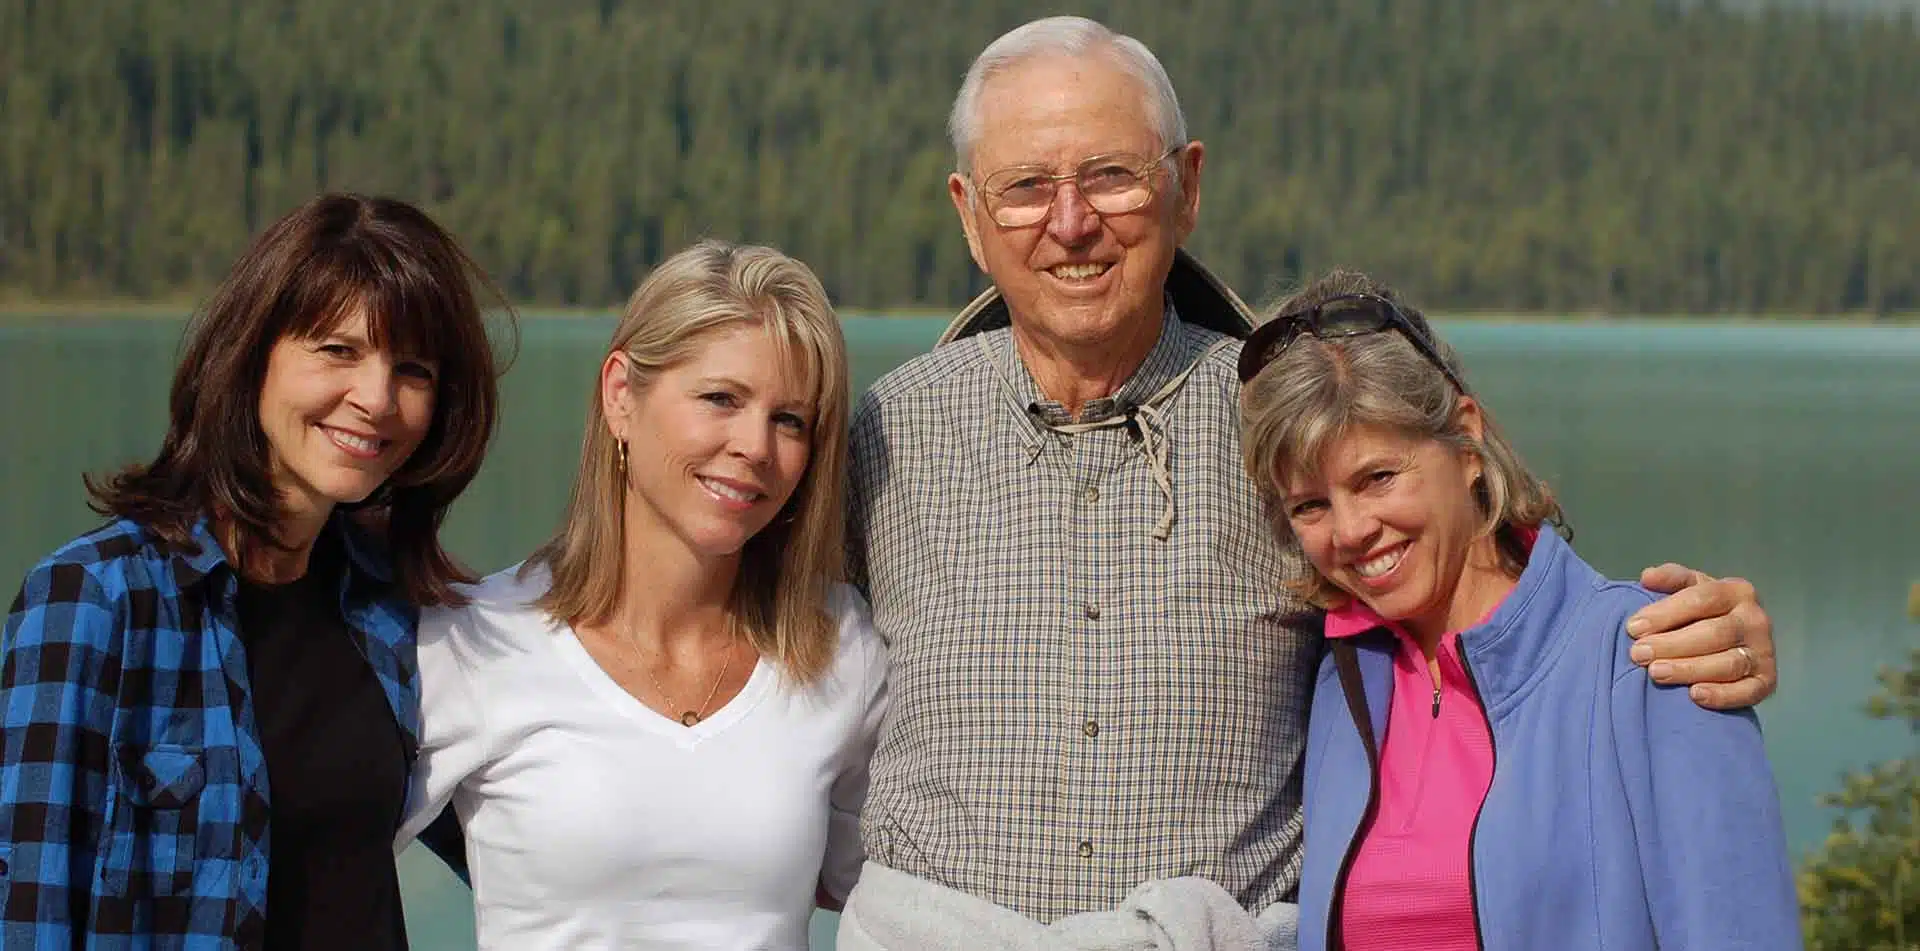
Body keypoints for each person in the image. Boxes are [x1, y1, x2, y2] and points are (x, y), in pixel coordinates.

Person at [838, 15, 1781, 949]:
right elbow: (731, 637)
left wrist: (1674, 642)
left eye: (1114, 176)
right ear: (968, 211)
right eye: (1026, 187)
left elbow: (1471, 578)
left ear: (1187, 185)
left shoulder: (1274, 423)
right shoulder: (881, 433)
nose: (1072, 219)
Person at [0, 193, 509, 948]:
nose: (375, 399)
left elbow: (540, 839)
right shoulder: (96, 601)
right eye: (337, 350)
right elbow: (27, 913)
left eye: (412, 369)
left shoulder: (399, 612)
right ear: (253, 354)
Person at [1238, 271, 1802, 950]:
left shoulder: (1654, 656)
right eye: (1311, 505)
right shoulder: (1342, 681)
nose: (1352, 528)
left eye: (1378, 477)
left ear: (1466, 440)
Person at [398, 240, 887, 950]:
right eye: (722, 398)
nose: (755, 444)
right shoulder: (478, 638)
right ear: (621, 395)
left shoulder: (838, 644)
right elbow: (322, 874)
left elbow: (876, 885)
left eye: (791, 420)